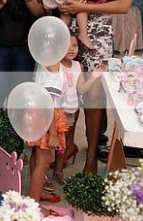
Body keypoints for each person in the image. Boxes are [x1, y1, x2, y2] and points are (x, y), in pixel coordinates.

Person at [60, 0, 134, 174]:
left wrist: (83, 7)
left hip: (99, 35)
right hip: (71, 32)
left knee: (93, 97)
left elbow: (123, 5)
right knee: (67, 90)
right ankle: (65, 148)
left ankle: (91, 157)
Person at [52, 35, 106, 185]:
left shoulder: (77, 66)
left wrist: (94, 76)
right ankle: (44, 173)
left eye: (74, 46)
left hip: (70, 112)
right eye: (66, 46)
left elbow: (81, 89)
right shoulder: (55, 65)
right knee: (52, 142)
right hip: (57, 112)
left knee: (63, 144)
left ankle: (58, 171)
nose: (71, 49)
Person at [29, 58, 69, 205]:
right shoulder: (53, 71)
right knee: (44, 161)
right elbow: (48, 105)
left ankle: (36, 192)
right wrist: (52, 133)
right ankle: (34, 204)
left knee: (36, 156)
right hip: (47, 118)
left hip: (39, 114)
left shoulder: (44, 61)